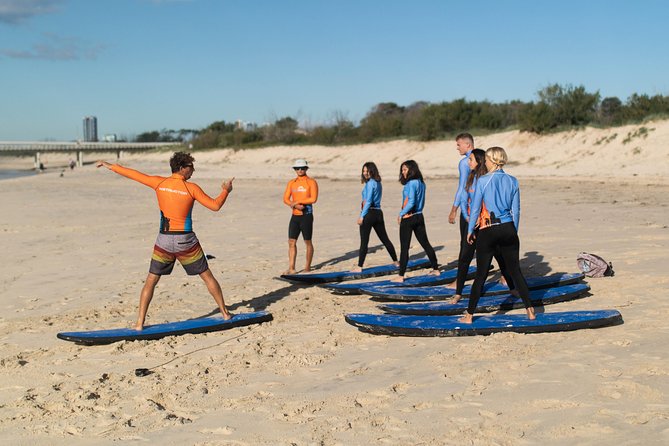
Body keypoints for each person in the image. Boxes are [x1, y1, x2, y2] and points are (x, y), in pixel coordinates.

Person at [96, 152, 233, 330]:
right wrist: (225, 190)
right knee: (207, 276)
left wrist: (109, 166)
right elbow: (215, 206)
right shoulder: (191, 188)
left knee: (151, 281)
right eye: (191, 166)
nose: (193, 170)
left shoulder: (159, 182)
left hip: (164, 241)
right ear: (183, 168)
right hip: (186, 241)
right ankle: (225, 313)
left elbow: (133, 174)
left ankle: (139, 324)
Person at [459, 147, 535, 323]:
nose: (484, 162)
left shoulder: (483, 180)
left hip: (488, 229)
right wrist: (512, 232)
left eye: (486, 159)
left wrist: (470, 230)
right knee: (515, 272)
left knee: (481, 274)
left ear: (492, 160)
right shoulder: (513, 181)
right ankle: (530, 310)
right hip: (508, 228)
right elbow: (516, 211)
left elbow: (476, 208)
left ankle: (469, 315)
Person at [449, 149, 515, 304]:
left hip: (486, 224)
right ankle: (458, 293)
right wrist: (468, 219)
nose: (468, 162)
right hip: (470, 223)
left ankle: (512, 288)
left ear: (479, 162)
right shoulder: (470, 179)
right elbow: (464, 202)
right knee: (465, 257)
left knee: (499, 255)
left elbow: (490, 204)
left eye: (471, 159)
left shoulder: (487, 179)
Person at [393, 160, 440, 282]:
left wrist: (401, 214)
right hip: (419, 216)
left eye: (405, 169)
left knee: (404, 247)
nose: (402, 172)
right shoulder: (421, 183)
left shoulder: (411, 184)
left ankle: (401, 275)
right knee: (425, 243)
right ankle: (436, 268)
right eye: (402, 170)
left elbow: (411, 202)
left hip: (409, 218)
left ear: (411, 170)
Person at [352, 162, 398, 272]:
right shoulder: (378, 183)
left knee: (364, 241)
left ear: (372, 171)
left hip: (369, 214)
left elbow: (368, 201)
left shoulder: (370, 184)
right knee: (385, 239)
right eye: (363, 171)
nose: (365, 173)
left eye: (367, 171)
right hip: (378, 213)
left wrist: (362, 216)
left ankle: (359, 266)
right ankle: (396, 261)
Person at [283, 159, 319, 274]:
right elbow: (285, 199)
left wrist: (296, 202)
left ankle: (307, 267)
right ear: (294, 169)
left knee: (307, 241)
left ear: (306, 169)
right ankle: (291, 267)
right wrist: (293, 205)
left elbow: (313, 199)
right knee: (291, 241)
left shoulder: (311, 182)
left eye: (302, 168)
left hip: (306, 216)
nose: (300, 170)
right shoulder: (291, 183)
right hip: (295, 216)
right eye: (297, 168)